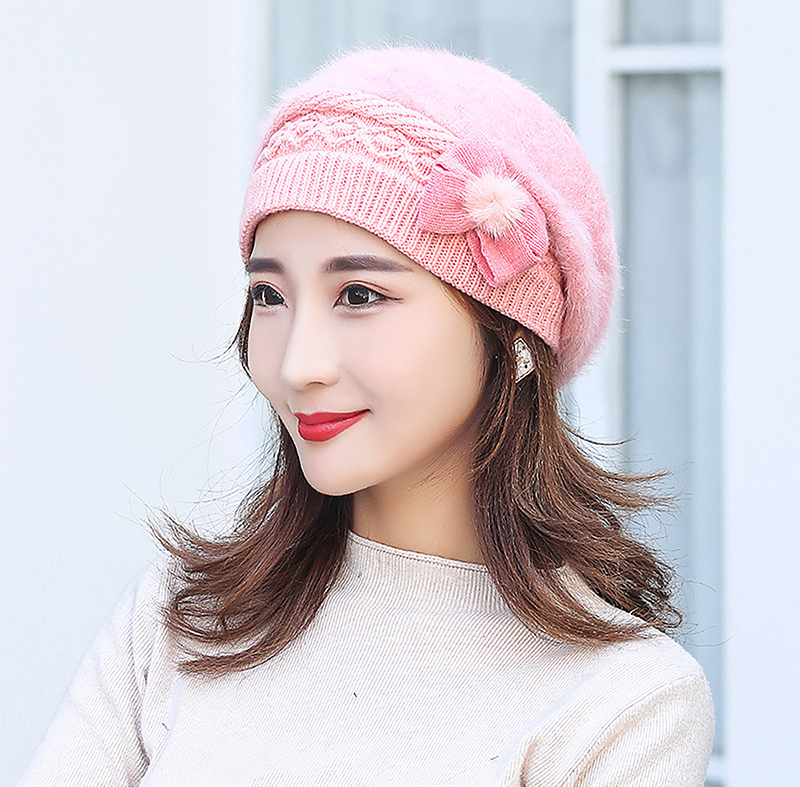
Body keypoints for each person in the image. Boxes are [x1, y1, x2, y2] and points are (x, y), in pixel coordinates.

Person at [18, 45, 714, 786]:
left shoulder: (622, 705)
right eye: (269, 296)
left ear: (512, 334)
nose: (297, 365)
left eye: (358, 296)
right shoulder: (178, 624)